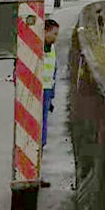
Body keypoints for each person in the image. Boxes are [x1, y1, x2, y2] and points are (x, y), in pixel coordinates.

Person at [41, 18, 59, 149]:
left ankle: (42, 144)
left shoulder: (52, 49)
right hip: (37, 89)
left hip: (47, 89)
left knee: (43, 120)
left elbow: (54, 71)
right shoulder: (36, 47)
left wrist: (52, 95)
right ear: (45, 32)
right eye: (54, 34)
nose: (56, 38)